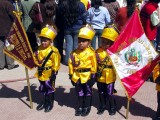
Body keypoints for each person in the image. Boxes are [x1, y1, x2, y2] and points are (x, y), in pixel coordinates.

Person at [68, 25, 97, 116]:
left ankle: (87, 107)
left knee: (88, 91)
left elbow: (94, 65)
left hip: (87, 76)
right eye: (79, 41)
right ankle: (80, 106)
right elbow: (70, 64)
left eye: (84, 41)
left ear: (89, 43)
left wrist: (93, 76)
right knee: (79, 91)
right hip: (77, 76)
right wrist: (71, 75)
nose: (81, 43)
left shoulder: (91, 53)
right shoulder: (74, 53)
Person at [33, 25, 61, 112]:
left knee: (49, 88)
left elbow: (56, 63)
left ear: (50, 41)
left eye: (45, 41)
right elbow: (34, 58)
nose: (43, 43)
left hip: (49, 73)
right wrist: (36, 63)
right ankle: (43, 102)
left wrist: (54, 73)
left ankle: (50, 103)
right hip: (41, 72)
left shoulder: (54, 51)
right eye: (42, 40)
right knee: (42, 87)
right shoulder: (38, 49)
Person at [95, 24, 119, 115]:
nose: (104, 44)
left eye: (107, 42)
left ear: (112, 43)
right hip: (100, 76)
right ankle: (102, 106)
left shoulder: (115, 52)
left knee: (110, 92)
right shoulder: (97, 52)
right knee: (101, 92)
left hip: (110, 76)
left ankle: (112, 106)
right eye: (103, 41)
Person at [58, 0, 87, 65]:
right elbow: (84, 17)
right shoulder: (81, 4)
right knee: (76, 45)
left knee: (68, 45)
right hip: (78, 27)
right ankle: (75, 60)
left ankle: (67, 61)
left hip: (67, 27)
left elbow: (60, 16)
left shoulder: (64, 4)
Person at [0, 0, 19, 70]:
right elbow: (14, 16)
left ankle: (1, 65)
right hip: (7, 28)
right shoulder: (8, 4)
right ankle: (10, 64)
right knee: (9, 46)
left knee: (0, 47)